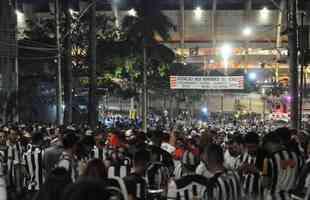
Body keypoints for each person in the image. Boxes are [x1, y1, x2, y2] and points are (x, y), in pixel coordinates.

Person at [261, 130, 304, 200]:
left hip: (274, 197)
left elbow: (265, 183)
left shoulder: (268, 160)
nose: (267, 150)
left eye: (266, 147)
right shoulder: (298, 157)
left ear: (269, 143)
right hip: (291, 197)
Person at [23, 131, 45, 197]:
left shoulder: (25, 154)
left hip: (29, 185)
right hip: (41, 185)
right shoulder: (43, 153)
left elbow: (23, 170)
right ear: (41, 140)